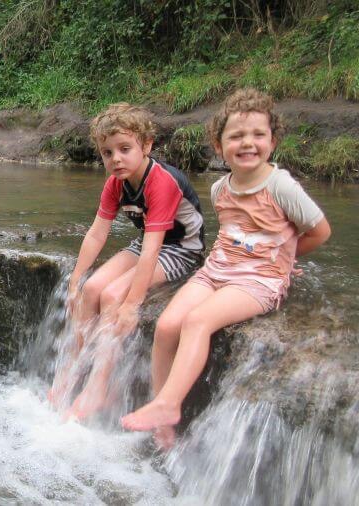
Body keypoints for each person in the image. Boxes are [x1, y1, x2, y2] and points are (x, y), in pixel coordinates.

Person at [120, 88, 332, 448]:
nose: (248, 143)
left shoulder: (280, 186)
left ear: (273, 141)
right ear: (219, 146)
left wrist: (283, 261)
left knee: (197, 321)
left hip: (258, 280)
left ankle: (170, 405)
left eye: (258, 135)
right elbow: (232, 235)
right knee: (168, 324)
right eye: (236, 136)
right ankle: (161, 410)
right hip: (216, 270)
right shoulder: (220, 189)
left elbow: (320, 232)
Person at [50, 103, 206, 421]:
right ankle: (72, 369)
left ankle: (100, 387)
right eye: (107, 153)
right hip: (146, 241)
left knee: (112, 295)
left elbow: (153, 251)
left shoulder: (161, 182)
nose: (116, 159)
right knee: (93, 288)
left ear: (146, 146)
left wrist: (132, 304)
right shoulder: (116, 184)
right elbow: (96, 234)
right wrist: (76, 279)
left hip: (181, 250)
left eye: (124, 149)